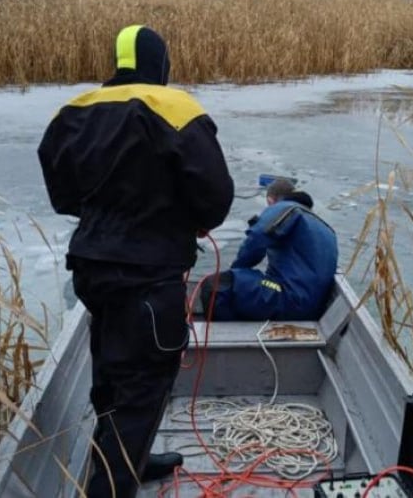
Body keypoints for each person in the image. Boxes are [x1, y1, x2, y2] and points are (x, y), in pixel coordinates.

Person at [38, 24, 234, 497]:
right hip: (148, 277)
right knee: (143, 386)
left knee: (109, 372)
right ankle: (112, 486)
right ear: (160, 64)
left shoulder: (74, 111)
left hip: (92, 268)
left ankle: (133, 461)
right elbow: (215, 199)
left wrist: (107, 217)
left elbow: (61, 193)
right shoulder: (176, 108)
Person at [201, 178, 338, 321]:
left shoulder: (286, 209)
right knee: (243, 283)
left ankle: (225, 336)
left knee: (217, 286)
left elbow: (257, 237)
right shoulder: (322, 226)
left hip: (290, 299)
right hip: (312, 305)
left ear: (271, 200)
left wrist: (235, 272)